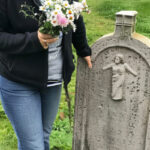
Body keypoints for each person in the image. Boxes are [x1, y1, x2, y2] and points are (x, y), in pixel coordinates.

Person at [0, 0, 92, 150]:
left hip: (53, 81)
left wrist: (83, 50)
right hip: (18, 80)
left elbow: (76, 15)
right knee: (33, 145)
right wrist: (33, 40)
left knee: (42, 137)